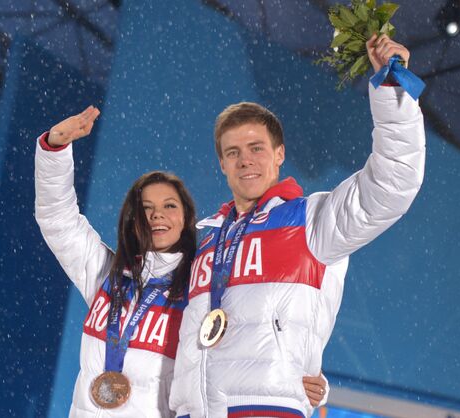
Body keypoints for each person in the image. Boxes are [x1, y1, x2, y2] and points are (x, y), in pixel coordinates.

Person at [169, 34, 426, 417]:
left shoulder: (311, 219)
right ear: (221, 164)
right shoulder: (206, 244)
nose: (245, 161)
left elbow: (392, 183)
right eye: (233, 152)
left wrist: (392, 88)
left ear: (279, 155)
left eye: (256, 148)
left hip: (267, 408)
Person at [34, 108, 328, 417]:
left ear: (187, 218)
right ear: (133, 220)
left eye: (169, 206)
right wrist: (55, 150)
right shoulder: (108, 277)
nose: (156, 215)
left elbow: (263, 328)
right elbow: (58, 220)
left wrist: (307, 374)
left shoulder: (201, 289)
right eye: (145, 208)